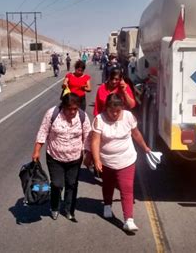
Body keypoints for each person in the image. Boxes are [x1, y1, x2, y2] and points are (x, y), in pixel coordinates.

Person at [90, 93, 151, 232]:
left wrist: (145, 148)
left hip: (127, 159)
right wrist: (97, 159)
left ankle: (128, 220)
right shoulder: (99, 119)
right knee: (108, 184)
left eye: (118, 111)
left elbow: (136, 133)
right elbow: (95, 140)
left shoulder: (128, 116)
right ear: (106, 108)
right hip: (107, 160)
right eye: (112, 111)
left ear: (122, 108)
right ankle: (107, 205)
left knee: (127, 188)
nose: (115, 114)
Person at [32, 93, 92, 222]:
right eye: (69, 109)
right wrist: (37, 151)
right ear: (63, 107)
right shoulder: (52, 114)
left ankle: (69, 210)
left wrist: (88, 155)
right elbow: (43, 131)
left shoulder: (82, 116)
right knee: (57, 184)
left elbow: (87, 136)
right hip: (55, 156)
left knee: (72, 184)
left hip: (75, 158)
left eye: (75, 109)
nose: (72, 112)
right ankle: (54, 207)